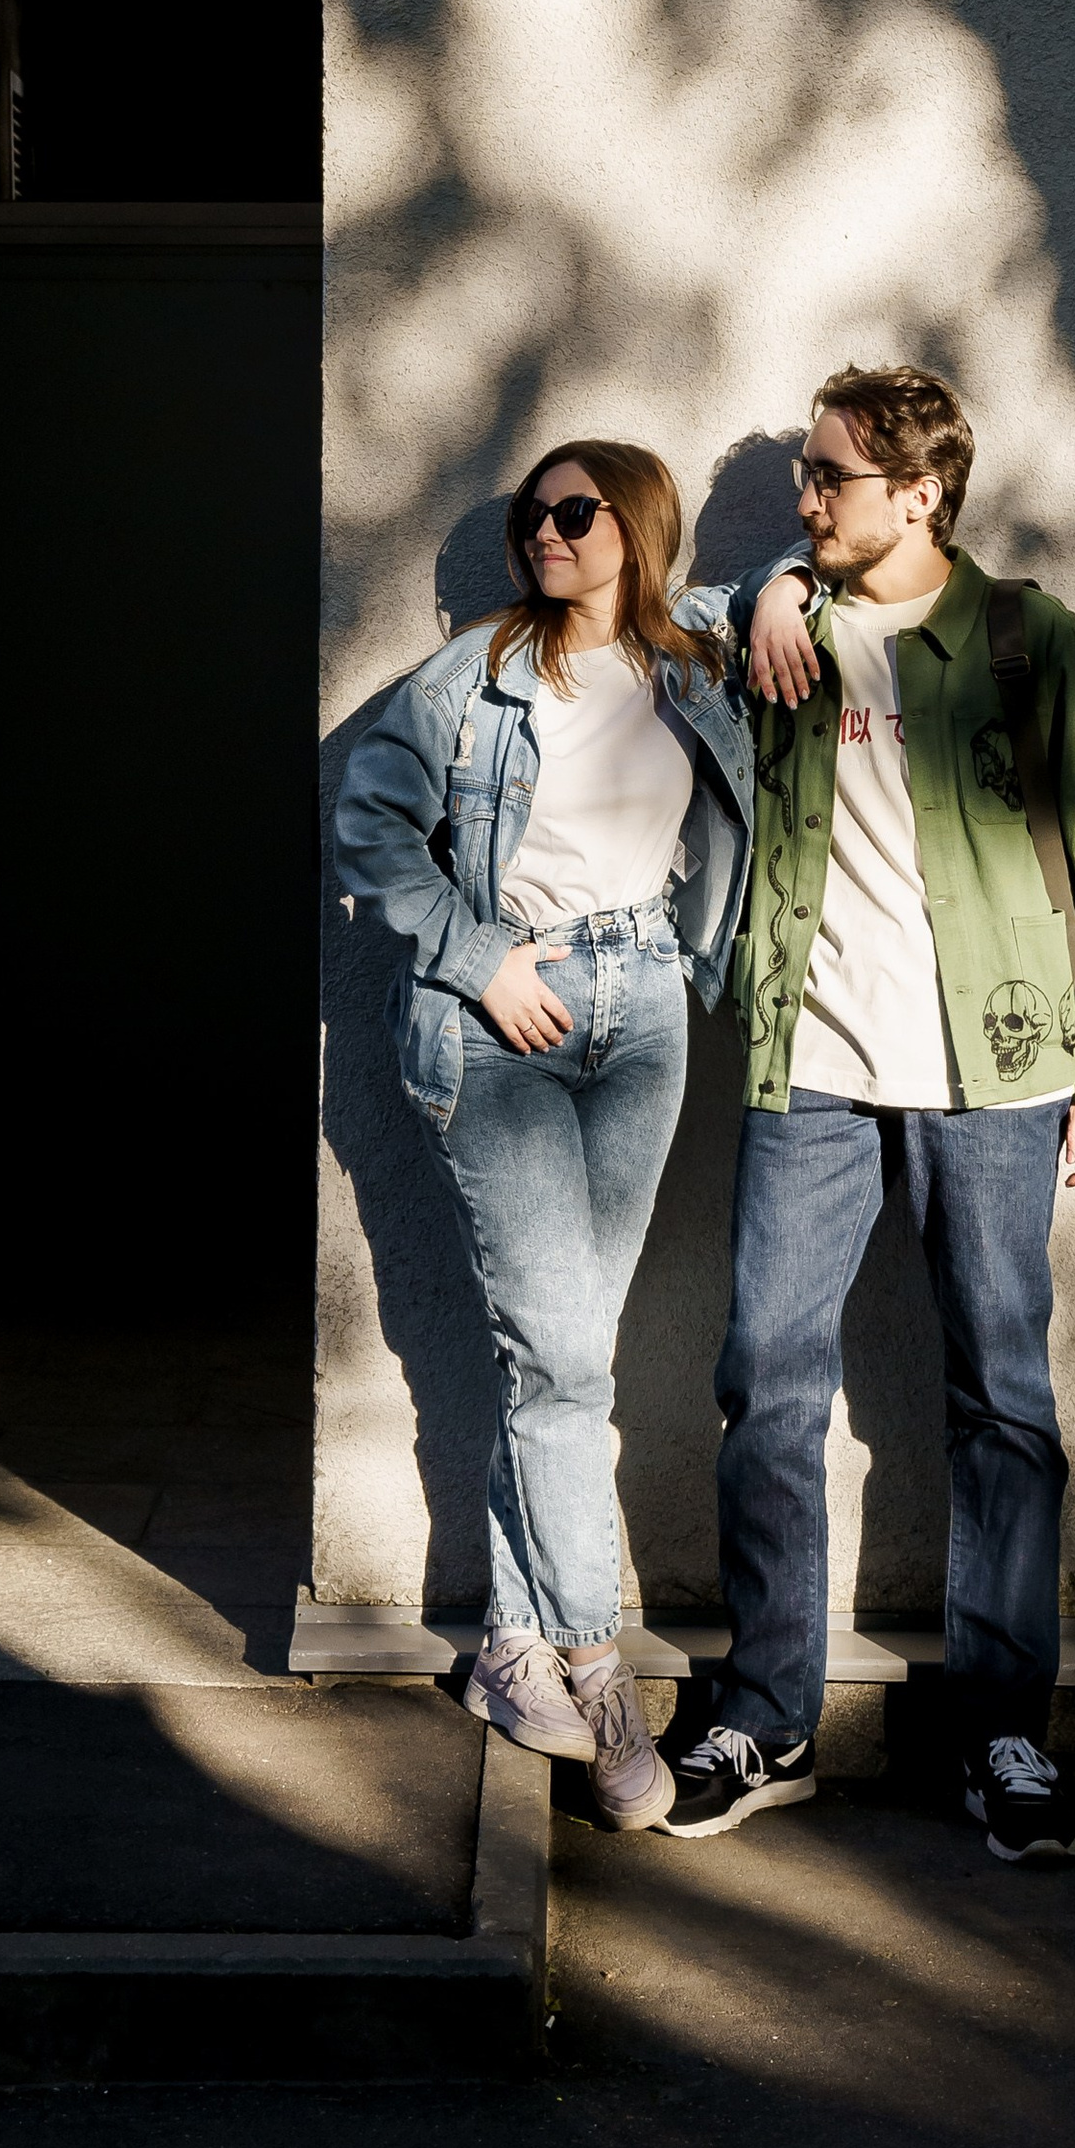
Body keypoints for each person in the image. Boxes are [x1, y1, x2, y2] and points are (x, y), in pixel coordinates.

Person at [657, 362, 1075, 1862]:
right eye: (804, 476)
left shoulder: (1026, 639)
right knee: (766, 1378)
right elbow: (646, 643)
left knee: (1004, 1399)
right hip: (808, 1064)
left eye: (828, 478)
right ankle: (768, 1710)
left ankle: (1003, 1731)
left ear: (922, 492)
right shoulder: (784, 629)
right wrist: (761, 584)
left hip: (998, 1068)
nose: (804, 499)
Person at [335, 442, 755, 1829]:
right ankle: (595, 1659)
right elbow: (369, 823)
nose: (548, 535)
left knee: (570, 1354)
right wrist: (474, 955)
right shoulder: (471, 677)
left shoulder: (697, 666)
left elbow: (802, 592)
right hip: (500, 1014)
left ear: (636, 531)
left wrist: (798, 589)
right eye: (533, 517)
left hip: (643, 1016)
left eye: (577, 514)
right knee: (560, 1359)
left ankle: (512, 1646)